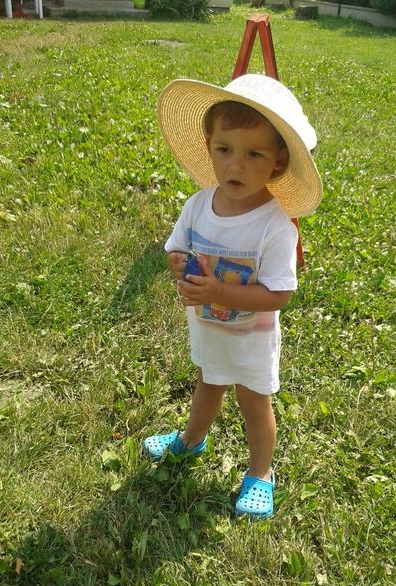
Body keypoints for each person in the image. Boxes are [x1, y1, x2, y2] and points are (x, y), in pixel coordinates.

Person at [142, 74, 322, 519]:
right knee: (207, 385)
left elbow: (278, 294)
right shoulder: (198, 205)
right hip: (210, 328)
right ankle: (191, 441)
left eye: (253, 154)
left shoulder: (274, 225)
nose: (235, 165)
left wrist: (220, 290)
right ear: (209, 146)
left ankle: (260, 474)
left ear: (278, 161)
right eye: (225, 149)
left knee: (254, 404)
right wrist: (179, 266)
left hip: (251, 340)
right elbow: (175, 250)